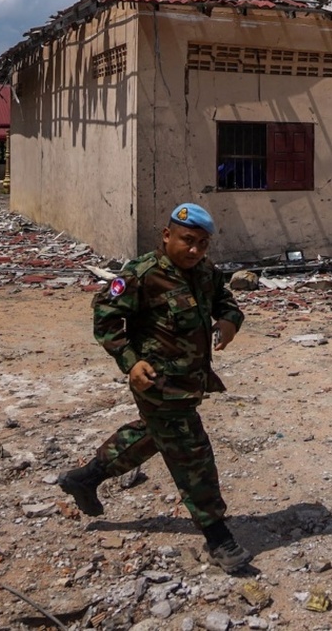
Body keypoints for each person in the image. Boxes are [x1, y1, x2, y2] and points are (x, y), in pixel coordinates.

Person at [57, 203, 252, 573]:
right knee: (192, 454)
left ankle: (85, 479)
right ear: (167, 236)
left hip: (189, 382)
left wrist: (229, 321)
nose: (194, 250)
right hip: (156, 383)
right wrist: (130, 363)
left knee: (153, 435)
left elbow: (225, 300)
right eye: (188, 241)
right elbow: (106, 318)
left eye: (202, 244)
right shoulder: (142, 275)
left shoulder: (204, 272)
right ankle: (217, 535)